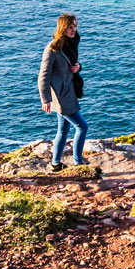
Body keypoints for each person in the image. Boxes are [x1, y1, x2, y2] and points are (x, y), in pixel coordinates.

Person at [37, 12, 88, 168]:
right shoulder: (52, 48)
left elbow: (73, 65)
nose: (73, 30)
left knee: (63, 130)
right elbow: (43, 76)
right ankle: (78, 163)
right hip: (61, 96)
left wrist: (78, 67)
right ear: (62, 28)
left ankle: (55, 163)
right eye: (70, 27)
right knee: (82, 126)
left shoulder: (71, 45)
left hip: (69, 91)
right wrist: (45, 100)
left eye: (74, 27)